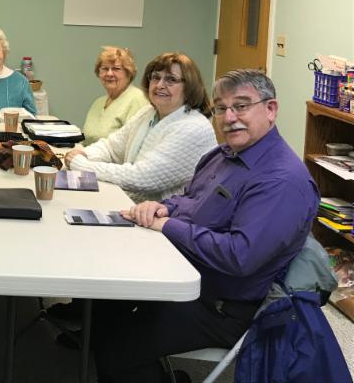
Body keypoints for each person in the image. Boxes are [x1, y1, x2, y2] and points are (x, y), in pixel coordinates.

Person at [82, 69, 321, 383]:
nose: (229, 117)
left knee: (116, 349)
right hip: (184, 270)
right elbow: (190, 199)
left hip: (222, 307)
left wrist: (168, 225)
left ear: (270, 109)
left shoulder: (282, 181)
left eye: (241, 106)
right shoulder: (223, 155)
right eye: (221, 108)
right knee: (103, 296)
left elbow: (239, 257)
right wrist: (163, 207)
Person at [65, 52, 216, 203]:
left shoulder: (193, 128)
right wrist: (84, 154)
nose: (159, 85)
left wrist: (82, 165)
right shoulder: (148, 113)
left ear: (189, 87)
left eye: (171, 80)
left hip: (167, 215)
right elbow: (111, 148)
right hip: (131, 205)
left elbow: (141, 177)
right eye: (156, 77)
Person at [82, 46, 149, 145]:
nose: (109, 74)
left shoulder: (138, 99)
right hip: (88, 154)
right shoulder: (98, 102)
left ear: (128, 73)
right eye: (105, 68)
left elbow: (133, 145)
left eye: (116, 69)